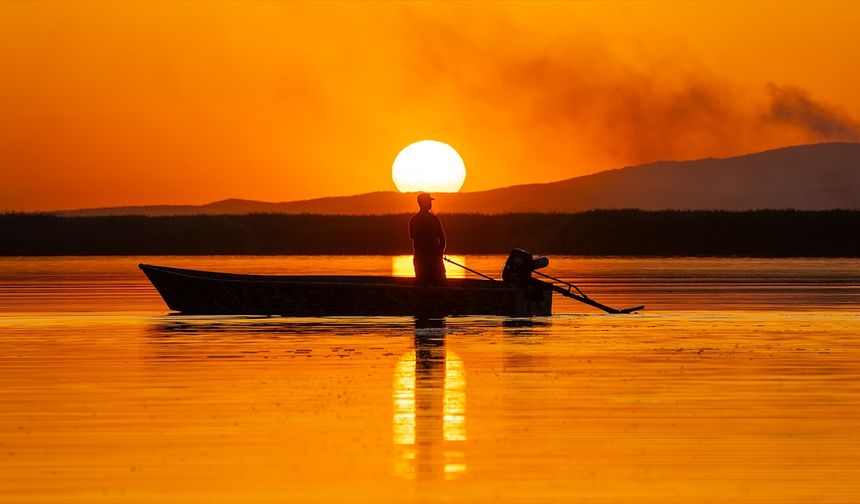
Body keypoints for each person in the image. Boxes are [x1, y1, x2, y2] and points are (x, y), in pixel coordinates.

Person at [409, 192, 446, 284]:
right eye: (429, 201)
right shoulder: (414, 221)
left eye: (430, 201)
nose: (430, 203)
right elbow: (416, 241)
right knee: (422, 283)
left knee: (440, 282)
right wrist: (425, 256)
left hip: (436, 260)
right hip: (421, 261)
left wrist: (439, 254)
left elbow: (443, 239)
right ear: (422, 203)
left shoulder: (434, 219)